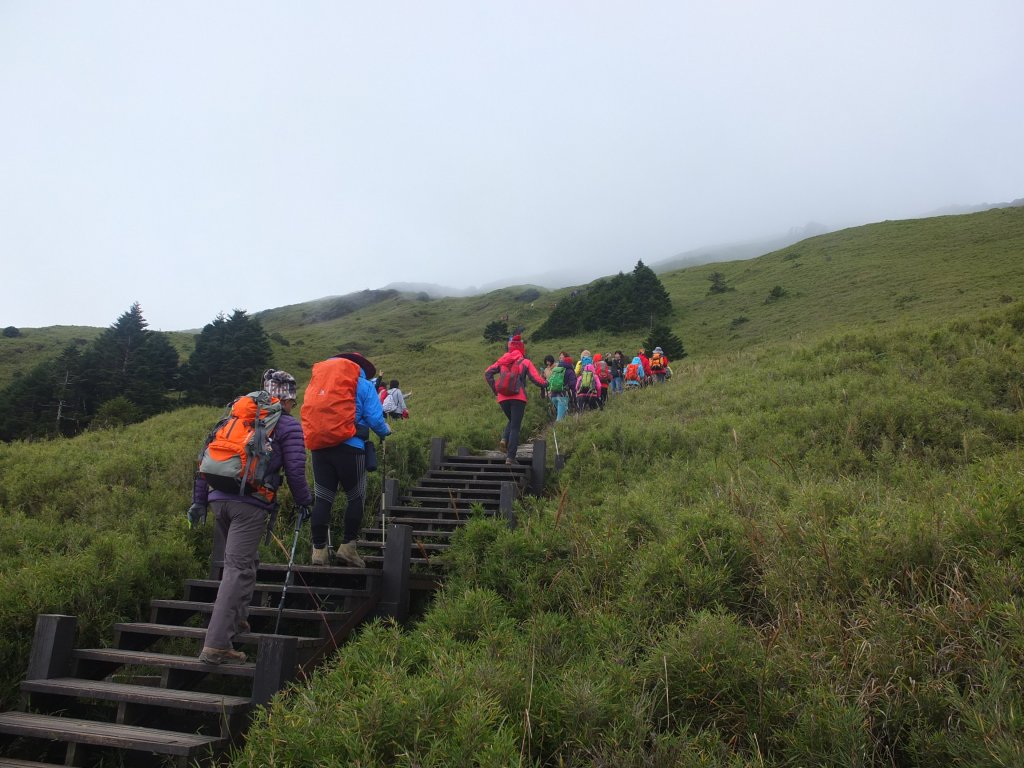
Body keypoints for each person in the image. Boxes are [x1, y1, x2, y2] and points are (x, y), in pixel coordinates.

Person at [190, 369, 313, 665]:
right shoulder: (286, 425)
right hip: (251, 503)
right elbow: (295, 470)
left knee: (246, 561)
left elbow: (206, 459)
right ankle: (216, 644)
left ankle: (239, 620)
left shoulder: (234, 418)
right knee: (237, 568)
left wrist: (199, 501)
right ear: (287, 400)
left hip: (218, 498)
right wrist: (305, 502)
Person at [307, 352, 391, 567]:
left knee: (323, 498)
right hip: (351, 448)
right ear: (360, 367)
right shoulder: (363, 384)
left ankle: (319, 552)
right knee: (356, 497)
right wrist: (386, 432)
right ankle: (348, 548)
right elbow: (375, 419)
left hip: (320, 448)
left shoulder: (318, 383)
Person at [484, 334, 547, 465]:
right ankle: (511, 457)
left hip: (503, 398)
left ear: (510, 348)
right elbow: (535, 379)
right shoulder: (525, 362)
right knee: (515, 427)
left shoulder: (502, 361)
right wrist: (546, 384)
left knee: (512, 421)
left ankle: (504, 439)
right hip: (518, 398)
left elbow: (488, 373)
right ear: (522, 349)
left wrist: (496, 390)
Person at [547, 352, 576, 422]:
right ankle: (555, 432)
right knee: (559, 419)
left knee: (564, 416)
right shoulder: (570, 371)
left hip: (553, 396)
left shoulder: (557, 370)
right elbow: (572, 384)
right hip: (562, 396)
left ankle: (564, 431)